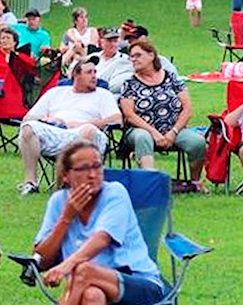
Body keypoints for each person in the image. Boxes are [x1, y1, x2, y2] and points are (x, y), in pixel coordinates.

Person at [32, 140, 166, 305]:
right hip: (88, 285)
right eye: (83, 168)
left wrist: (67, 265)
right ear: (66, 175)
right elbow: (42, 259)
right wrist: (66, 218)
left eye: (97, 166)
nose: (93, 175)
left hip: (140, 284)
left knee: (84, 271)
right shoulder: (58, 202)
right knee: (93, 295)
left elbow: (102, 239)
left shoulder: (115, 193)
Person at [17, 60, 120, 195]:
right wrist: (49, 120)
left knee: (88, 130)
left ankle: (69, 182)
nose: (95, 76)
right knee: (28, 128)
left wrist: (83, 124)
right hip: (56, 133)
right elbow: (28, 118)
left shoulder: (103, 94)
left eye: (95, 72)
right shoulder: (56, 93)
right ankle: (31, 183)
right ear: (75, 76)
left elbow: (117, 119)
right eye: (89, 72)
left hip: (88, 136)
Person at [120, 40, 206, 192]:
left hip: (173, 128)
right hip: (141, 129)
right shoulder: (129, 83)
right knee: (143, 137)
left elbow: (187, 109)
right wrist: (154, 132)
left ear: (151, 55)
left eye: (138, 55)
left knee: (197, 142)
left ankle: (195, 182)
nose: (134, 59)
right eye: (131, 56)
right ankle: (150, 183)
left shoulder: (171, 78)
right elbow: (129, 114)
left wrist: (173, 132)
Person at [0, 26, 35, 120]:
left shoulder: (22, 57)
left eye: (8, 38)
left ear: (15, 42)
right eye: (2, 38)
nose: (4, 41)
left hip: (18, 90)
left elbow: (34, 71)